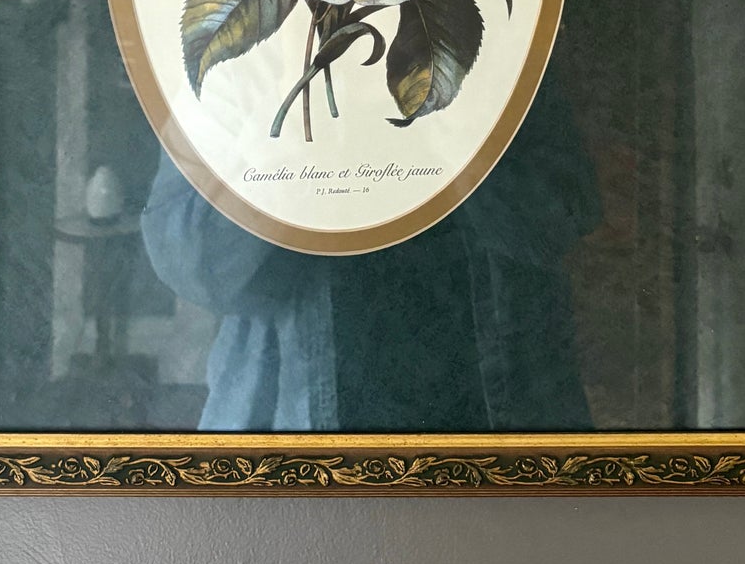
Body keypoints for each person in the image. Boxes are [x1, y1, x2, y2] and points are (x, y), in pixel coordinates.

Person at [141, 75, 601, 431]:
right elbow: (189, 263)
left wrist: (457, 127)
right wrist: (276, 152)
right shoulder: (236, 70)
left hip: (488, 439)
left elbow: (563, 217)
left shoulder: (494, 50)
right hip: (300, 451)